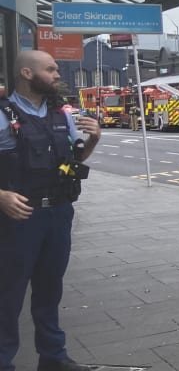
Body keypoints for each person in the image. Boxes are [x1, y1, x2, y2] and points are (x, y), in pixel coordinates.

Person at [0, 50, 101, 371]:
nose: (58, 74)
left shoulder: (63, 114)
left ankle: (53, 358)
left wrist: (94, 140)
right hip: (19, 219)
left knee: (49, 290)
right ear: (27, 74)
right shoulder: (4, 115)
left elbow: (75, 160)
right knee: (8, 296)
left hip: (59, 214)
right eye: (51, 69)